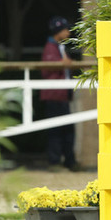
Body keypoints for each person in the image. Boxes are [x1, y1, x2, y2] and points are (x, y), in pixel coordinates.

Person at [41, 16, 78, 171]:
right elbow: (47, 68)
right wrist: (64, 64)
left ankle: (68, 161)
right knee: (57, 130)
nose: (68, 32)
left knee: (67, 130)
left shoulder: (58, 46)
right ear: (58, 31)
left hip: (61, 94)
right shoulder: (51, 47)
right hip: (55, 94)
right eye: (65, 29)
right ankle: (56, 162)